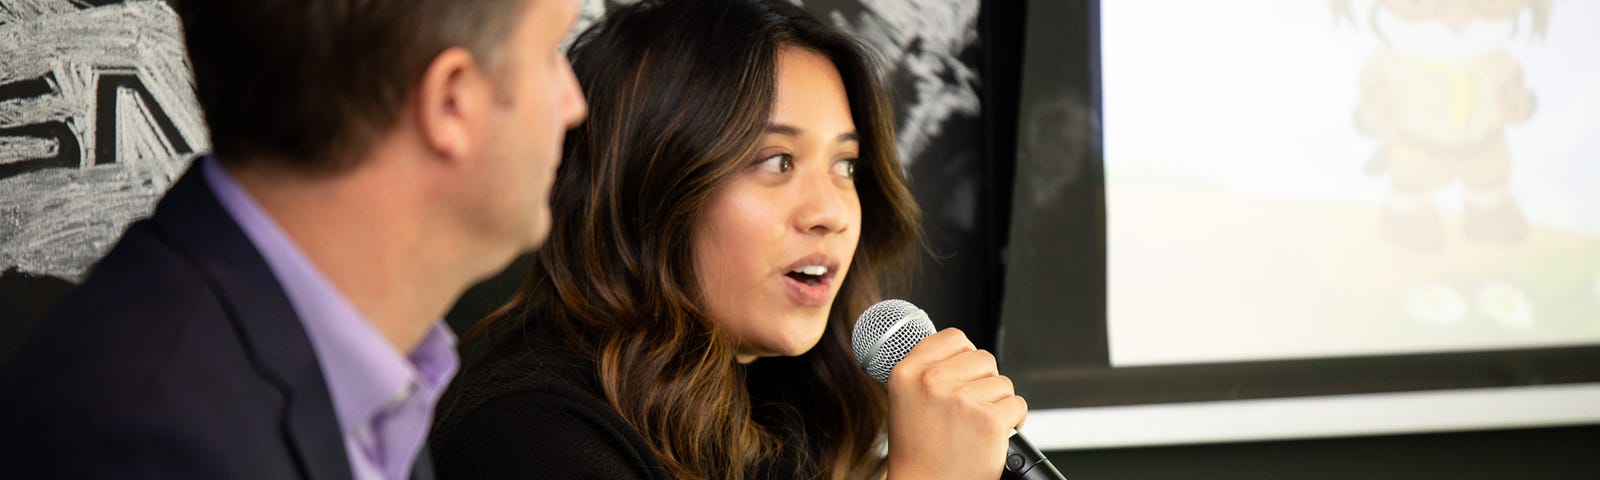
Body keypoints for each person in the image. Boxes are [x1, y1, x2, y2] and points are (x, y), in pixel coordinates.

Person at [428, 0, 1026, 478]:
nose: (831, 213)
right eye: (776, 160)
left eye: (846, 166)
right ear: (653, 185)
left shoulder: (789, 409)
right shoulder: (527, 434)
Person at [0, 0, 586, 478]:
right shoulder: (147, 438)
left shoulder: (358, 379)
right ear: (451, 101)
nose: (574, 103)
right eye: (549, 53)